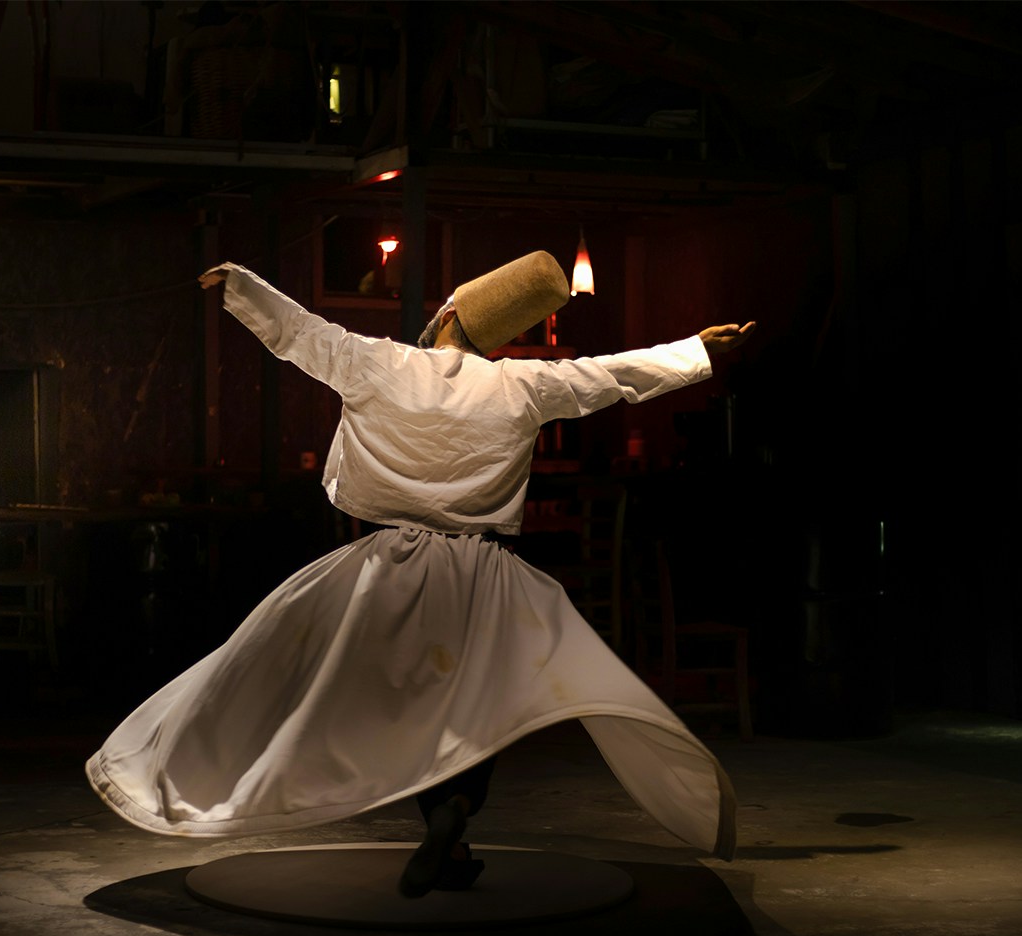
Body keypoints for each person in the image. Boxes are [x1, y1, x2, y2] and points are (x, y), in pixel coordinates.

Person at [87, 251, 754, 897]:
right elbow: (610, 377)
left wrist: (239, 282)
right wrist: (696, 351)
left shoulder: (381, 363)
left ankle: (413, 811)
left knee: (306, 675)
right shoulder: (522, 385)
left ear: (446, 316)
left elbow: (299, 333)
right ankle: (454, 813)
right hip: (486, 578)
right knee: (471, 714)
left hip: (394, 568)